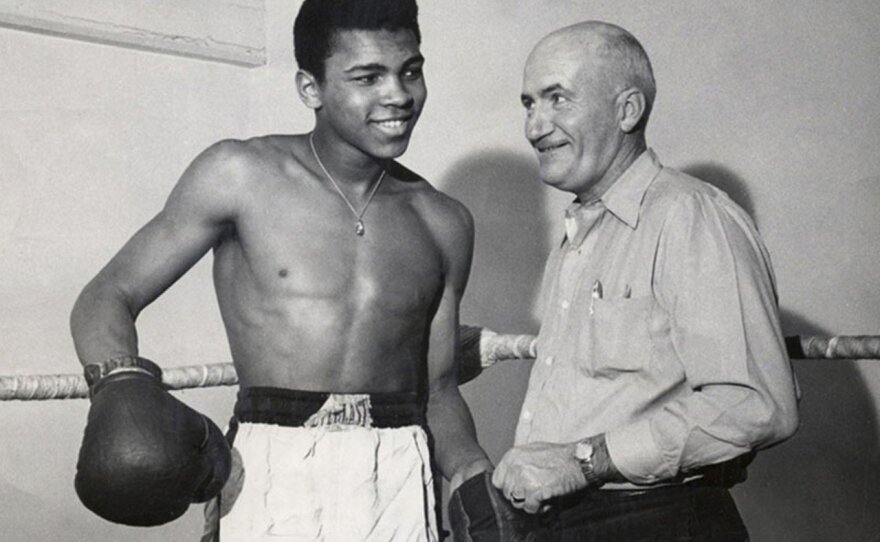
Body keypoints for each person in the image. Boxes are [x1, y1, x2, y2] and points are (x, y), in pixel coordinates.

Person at [69, 0, 493, 539]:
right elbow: (108, 294)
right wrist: (123, 389)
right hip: (270, 465)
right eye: (368, 77)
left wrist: (474, 473)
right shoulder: (239, 175)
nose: (398, 95)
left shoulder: (445, 222)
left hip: (398, 472)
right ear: (309, 88)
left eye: (410, 71)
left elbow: (439, 394)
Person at [482, 21, 801, 541]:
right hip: (573, 524)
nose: (535, 126)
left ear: (627, 110)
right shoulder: (578, 236)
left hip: (662, 520)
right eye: (529, 103)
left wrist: (585, 462)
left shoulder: (690, 215)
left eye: (558, 99)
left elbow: (757, 405)